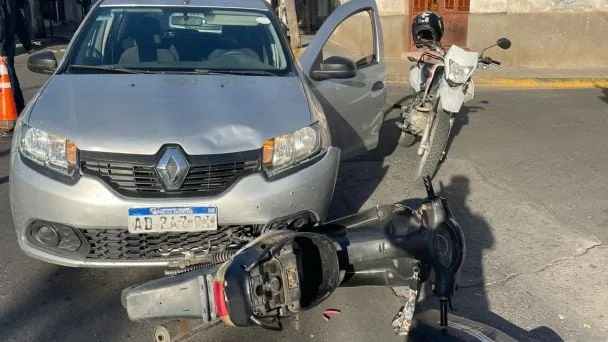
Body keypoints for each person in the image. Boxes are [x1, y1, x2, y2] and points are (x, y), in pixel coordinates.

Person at [0, 0, 35, 115]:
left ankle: (14, 112)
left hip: (3, 48)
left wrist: (2, 51)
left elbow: (3, 24)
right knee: (10, 79)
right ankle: (18, 110)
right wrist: (28, 45)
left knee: (8, 81)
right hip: (6, 47)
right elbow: (18, 20)